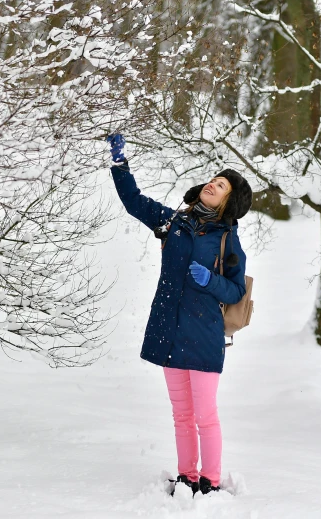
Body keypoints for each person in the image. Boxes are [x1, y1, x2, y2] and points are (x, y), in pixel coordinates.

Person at [106, 133, 252, 496]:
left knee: (205, 415)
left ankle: (212, 481)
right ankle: (187, 476)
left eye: (221, 186)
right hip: (169, 327)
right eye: (213, 180)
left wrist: (211, 281)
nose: (212, 185)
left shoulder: (226, 239)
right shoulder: (174, 222)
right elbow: (134, 201)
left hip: (204, 333)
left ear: (228, 203)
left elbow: (236, 291)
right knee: (181, 414)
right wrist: (119, 163)